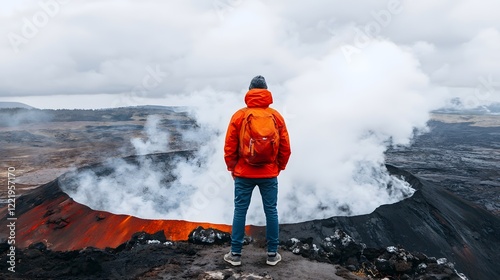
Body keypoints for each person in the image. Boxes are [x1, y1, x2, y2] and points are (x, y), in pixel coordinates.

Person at [223, 75, 291, 266]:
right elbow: (285, 146)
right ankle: (272, 254)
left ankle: (235, 255)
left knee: (240, 211)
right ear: (267, 91)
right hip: (269, 173)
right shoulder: (276, 116)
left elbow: (229, 147)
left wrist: (232, 168)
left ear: (250, 91)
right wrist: (279, 167)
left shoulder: (239, 116)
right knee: (271, 211)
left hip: (244, 173)